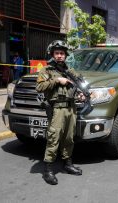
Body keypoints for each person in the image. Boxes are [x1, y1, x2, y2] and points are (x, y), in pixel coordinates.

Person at [36, 40, 86, 185]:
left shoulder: (70, 71)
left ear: (65, 55)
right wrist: (57, 80)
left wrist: (80, 95)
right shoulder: (47, 70)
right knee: (54, 138)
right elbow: (39, 87)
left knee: (69, 138)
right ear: (52, 54)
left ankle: (67, 164)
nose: (59, 56)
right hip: (56, 109)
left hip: (71, 108)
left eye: (62, 53)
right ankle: (48, 170)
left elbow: (76, 87)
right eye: (57, 53)